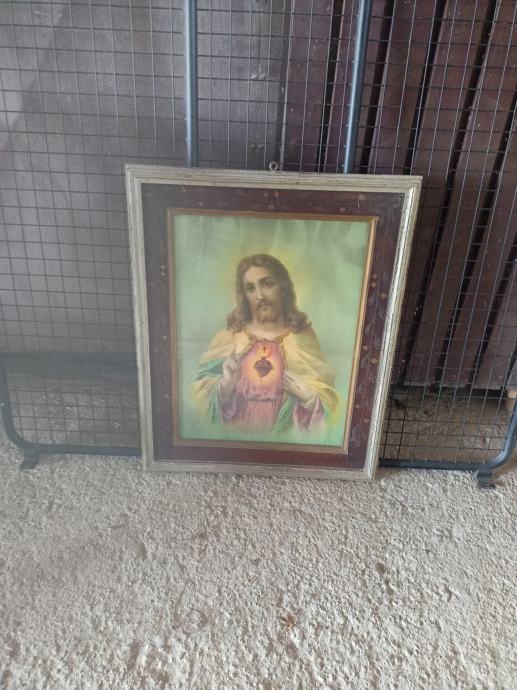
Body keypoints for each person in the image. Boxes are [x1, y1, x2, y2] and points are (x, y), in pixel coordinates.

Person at [191, 254, 339, 434]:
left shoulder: (302, 337)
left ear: (283, 287)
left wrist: (310, 397)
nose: (259, 295)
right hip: (236, 437)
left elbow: (329, 402)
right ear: (244, 295)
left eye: (267, 284)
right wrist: (225, 386)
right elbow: (196, 400)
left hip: (281, 439)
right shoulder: (228, 338)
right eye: (250, 288)